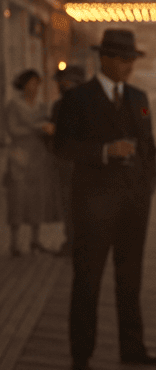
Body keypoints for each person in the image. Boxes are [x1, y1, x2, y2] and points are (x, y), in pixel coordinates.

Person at [54, 29, 156, 370]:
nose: (129, 67)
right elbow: (62, 147)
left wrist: (148, 185)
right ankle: (81, 352)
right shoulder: (78, 99)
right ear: (104, 59)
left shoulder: (139, 97)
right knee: (88, 278)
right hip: (93, 204)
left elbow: (149, 148)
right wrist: (103, 152)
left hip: (133, 203)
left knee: (130, 278)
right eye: (122, 60)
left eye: (132, 60)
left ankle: (132, 347)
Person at [4, 69, 60, 256]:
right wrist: (37, 129)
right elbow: (12, 130)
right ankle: (14, 242)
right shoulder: (13, 105)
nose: (34, 87)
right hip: (19, 156)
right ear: (23, 84)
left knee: (37, 197)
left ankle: (35, 239)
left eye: (37, 83)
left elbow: (48, 125)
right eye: (31, 83)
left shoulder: (41, 106)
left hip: (38, 157)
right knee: (18, 198)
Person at [50, 65, 87, 256]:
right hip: (65, 163)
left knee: (75, 205)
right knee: (68, 205)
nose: (61, 85)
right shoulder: (60, 105)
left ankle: (75, 242)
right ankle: (72, 240)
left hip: (78, 163)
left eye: (64, 82)